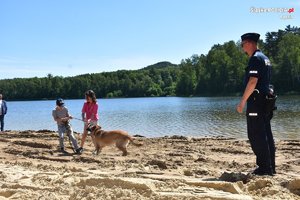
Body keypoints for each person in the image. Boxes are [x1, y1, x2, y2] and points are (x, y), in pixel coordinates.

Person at [236, 33, 275, 176]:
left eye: (242, 44)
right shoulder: (265, 58)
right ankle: (270, 167)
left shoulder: (255, 59)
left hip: (256, 103)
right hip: (265, 102)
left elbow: (253, 82)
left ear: (249, 43)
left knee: (256, 135)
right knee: (266, 134)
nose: (242, 48)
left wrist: (242, 102)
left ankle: (264, 169)